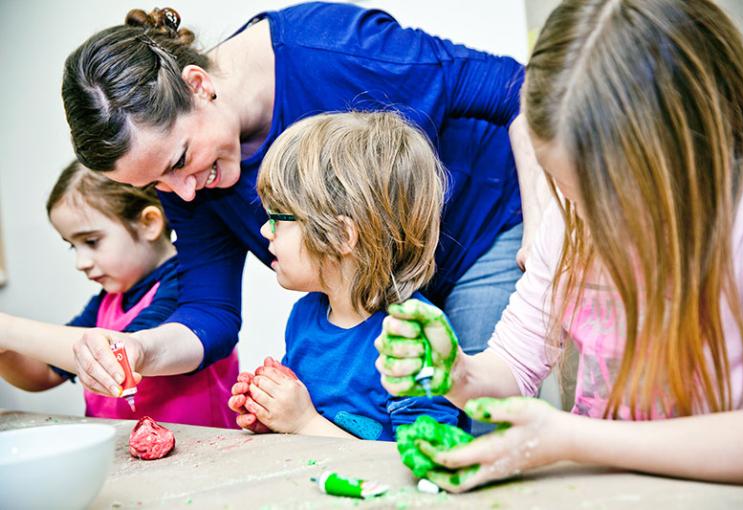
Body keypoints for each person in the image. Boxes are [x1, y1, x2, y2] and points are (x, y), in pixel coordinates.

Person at [59, 2, 546, 430]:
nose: (180, 193)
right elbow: (210, 312)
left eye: (180, 161)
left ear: (198, 85)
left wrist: (547, 228)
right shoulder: (184, 186)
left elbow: (516, 88)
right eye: (157, 185)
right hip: (373, 289)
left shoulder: (333, 49)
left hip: (482, 236)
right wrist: (140, 350)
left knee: (483, 423)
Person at [375, 0, 743, 491]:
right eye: (561, 185)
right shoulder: (570, 215)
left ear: (681, 152)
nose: (576, 215)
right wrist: (456, 373)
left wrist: (572, 440)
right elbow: (515, 363)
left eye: (603, 194)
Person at [227, 111, 460, 440]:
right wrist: (273, 414)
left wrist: (304, 423)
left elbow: (424, 458)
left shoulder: (413, 336)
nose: (265, 230)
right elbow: (313, 423)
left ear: (340, 235)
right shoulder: (305, 317)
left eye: (278, 217)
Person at [0, 161, 238, 428]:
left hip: (200, 457)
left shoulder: (188, 289)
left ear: (149, 223)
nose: (81, 262)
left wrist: (8, 329)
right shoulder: (105, 303)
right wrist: (5, 350)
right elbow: (43, 373)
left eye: (91, 241)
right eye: (72, 246)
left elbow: (121, 350)